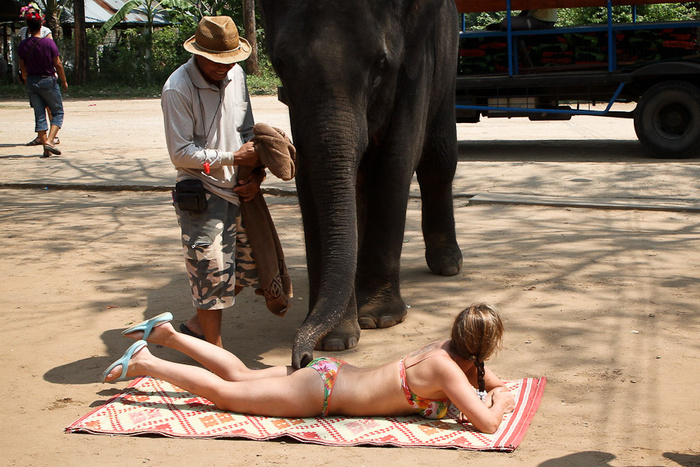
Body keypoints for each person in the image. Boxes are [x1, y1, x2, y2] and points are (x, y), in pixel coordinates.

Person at [102, 303, 516, 434]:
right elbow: (487, 424)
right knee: (227, 394)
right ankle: (146, 361)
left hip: (331, 373)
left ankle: (167, 334)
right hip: (321, 393)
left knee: (241, 376)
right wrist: (498, 402)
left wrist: (493, 389)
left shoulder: (446, 351)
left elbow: (489, 381)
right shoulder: (447, 369)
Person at [161, 16, 266, 347]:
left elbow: (247, 131)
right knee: (210, 275)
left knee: (253, 267)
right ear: (198, 54)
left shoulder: (237, 75)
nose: (225, 67)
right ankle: (215, 354)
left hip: (239, 190)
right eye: (217, 61)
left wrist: (256, 175)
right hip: (202, 193)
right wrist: (233, 158)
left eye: (231, 60)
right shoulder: (177, 88)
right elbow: (180, 153)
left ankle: (196, 327)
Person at [18, 10, 66, 158]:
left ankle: (46, 148)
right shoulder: (49, 43)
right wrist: (64, 80)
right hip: (48, 80)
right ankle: (50, 141)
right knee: (57, 112)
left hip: (31, 82)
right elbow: (57, 63)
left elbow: (22, 68)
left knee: (39, 114)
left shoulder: (23, 45)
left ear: (28, 27)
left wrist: (26, 81)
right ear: (41, 25)